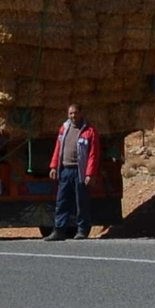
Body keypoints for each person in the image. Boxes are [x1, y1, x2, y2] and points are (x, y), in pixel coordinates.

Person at [47, 103, 101, 241]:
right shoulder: (64, 128)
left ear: (81, 113)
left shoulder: (89, 131)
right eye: (70, 113)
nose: (73, 116)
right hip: (65, 170)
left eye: (75, 113)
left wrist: (89, 174)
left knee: (81, 202)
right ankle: (59, 230)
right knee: (61, 201)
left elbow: (93, 155)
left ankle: (82, 230)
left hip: (79, 172)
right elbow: (58, 148)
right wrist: (53, 166)